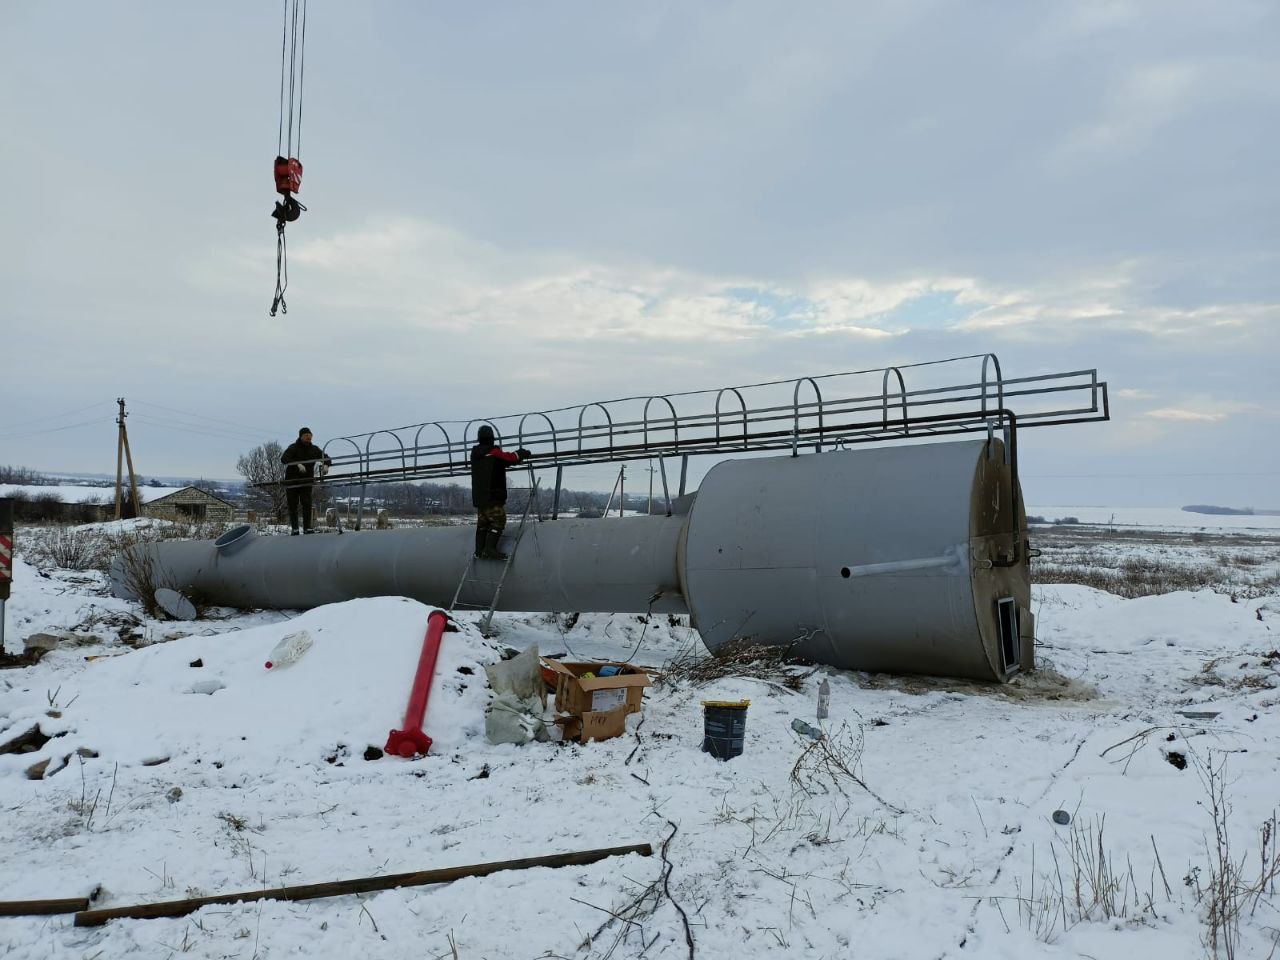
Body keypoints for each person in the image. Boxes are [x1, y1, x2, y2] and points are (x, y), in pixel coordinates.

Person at [470, 425, 531, 560]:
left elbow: (497, 463)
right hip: (493, 495)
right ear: (492, 438)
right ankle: (490, 550)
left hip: (480, 497)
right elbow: (510, 458)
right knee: (498, 520)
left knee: (483, 523)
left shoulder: (475, 454)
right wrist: (522, 453)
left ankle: (479, 551)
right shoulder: (494, 452)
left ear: (479, 438)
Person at [280, 427, 332, 535]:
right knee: (292, 505)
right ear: (301, 436)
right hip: (292, 481)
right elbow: (284, 458)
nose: (309, 438)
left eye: (310, 436)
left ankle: (307, 528)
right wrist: (297, 464)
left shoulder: (314, 449)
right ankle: (295, 528)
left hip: (306, 481)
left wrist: (326, 464)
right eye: (306, 436)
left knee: (307, 504)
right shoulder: (293, 448)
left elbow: (326, 457)